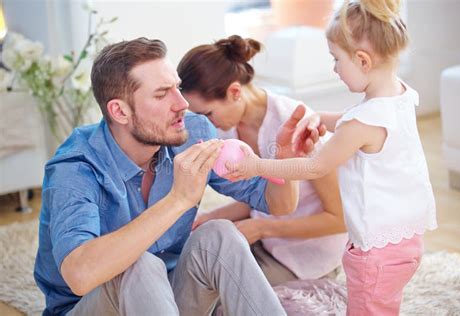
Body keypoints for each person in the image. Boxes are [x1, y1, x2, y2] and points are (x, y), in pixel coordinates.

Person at [33, 37, 319, 316]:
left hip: (167, 296)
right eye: (161, 94)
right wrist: (178, 200)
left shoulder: (193, 133)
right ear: (119, 111)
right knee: (138, 264)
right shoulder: (74, 167)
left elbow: (279, 205)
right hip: (93, 307)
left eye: (177, 88)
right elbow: (79, 276)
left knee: (220, 234)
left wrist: (285, 161)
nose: (182, 103)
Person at [222, 0, 438, 315]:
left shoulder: (362, 123)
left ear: (363, 60)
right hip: (405, 241)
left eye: (336, 59)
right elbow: (355, 119)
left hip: (375, 252)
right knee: (384, 305)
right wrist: (320, 118)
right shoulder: (398, 96)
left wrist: (256, 165)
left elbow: (314, 166)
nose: (334, 68)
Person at [177, 35, 347, 286]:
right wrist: (213, 216)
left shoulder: (296, 124)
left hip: (308, 256)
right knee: (195, 275)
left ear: (235, 92)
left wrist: (262, 228)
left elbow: (339, 219)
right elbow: (262, 198)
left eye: (208, 113)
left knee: (227, 298)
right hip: (264, 239)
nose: (206, 123)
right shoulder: (228, 128)